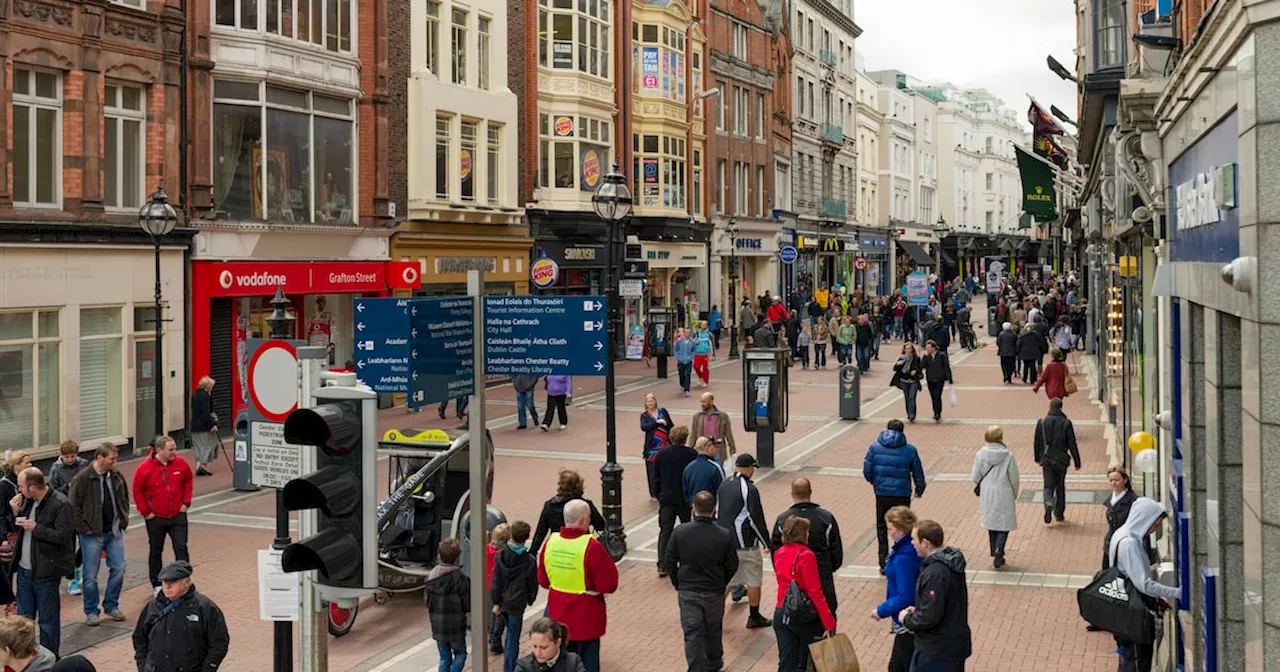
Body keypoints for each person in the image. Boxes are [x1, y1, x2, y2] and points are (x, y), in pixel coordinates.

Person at [537, 499, 620, 672]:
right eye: (588, 518)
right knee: (587, 664)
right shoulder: (592, 546)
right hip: (586, 618)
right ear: (583, 520)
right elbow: (609, 584)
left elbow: (544, 581)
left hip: (558, 614)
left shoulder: (551, 543)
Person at [665, 491, 738, 672]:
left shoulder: (680, 532)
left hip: (688, 589)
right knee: (713, 629)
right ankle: (714, 662)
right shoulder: (724, 534)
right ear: (714, 509)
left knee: (692, 632)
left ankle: (696, 668)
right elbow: (732, 564)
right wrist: (722, 581)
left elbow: (670, 560)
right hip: (713, 590)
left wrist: (677, 582)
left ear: (693, 509)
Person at [1109, 499, 1181, 671]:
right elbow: (1144, 584)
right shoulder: (1129, 543)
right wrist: (1177, 592)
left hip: (1125, 613)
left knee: (1128, 661)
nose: (1154, 530)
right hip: (1133, 618)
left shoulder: (1122, 534)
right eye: (1154, 524)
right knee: (1136, 663)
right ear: (1144, 519)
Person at [9, 469, 73, 656]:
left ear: (32, 487)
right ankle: (24, 657)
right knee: (23, 620)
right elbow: (17, 530)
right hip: (24, 571)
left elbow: (63, 536)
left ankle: (49, 659)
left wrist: (36, 528)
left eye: (21, 486)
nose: (19, 490)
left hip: (46, 572)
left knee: (48, 621)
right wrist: (15, 513)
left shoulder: (60, 504)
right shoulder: (28, 502)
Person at [67, 443, 130, 626]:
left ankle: (111, 604)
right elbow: (73, 506)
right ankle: (91, 610)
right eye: (112, 458)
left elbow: (124, 496)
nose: (115, 461)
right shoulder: (83, 478)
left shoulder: (116, 475)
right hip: (92, 534)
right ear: (100, 458)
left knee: (119, 567)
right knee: (90, 575)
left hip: (114, 531)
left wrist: (123, 519)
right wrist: (84, 528)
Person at [899, 520, 971, 672]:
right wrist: (919, 608)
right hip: (952, 646)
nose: (912, 543)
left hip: (936, 649)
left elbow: (930, 615)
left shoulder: (935, 573)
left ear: (925, 543)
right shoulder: (950, 564)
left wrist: (906, 619)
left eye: (914, 539)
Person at [132, 560, 229, 672]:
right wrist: (143, 666)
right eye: (164, 582)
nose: (167, 586)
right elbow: (139, 638)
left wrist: (208, 668)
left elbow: (219, 643)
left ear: (187, 582)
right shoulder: (152, 606)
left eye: (173, 582)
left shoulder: (205, 607)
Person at [769, 478, 842, 617]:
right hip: (822, 574)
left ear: (792, 493)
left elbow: (775, 550)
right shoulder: (826, 518)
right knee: (826, 614)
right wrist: (829, 567)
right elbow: (836, 549)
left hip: (792, 578)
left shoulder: (783, 520)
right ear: (810, 492)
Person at [771, 516, 837, 672]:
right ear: (802, 534)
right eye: (807, 532)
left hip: (782, 611)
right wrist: (829, 621)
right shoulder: (806, 555)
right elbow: (814, 591)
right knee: (805, 662)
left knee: (786, 661)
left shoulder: (779, 553)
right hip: (802, 616)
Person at [716, 454, 772, 630]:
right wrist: (767, 542)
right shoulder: (749, 489)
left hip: (725, 542)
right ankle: (754, 616)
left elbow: (718, 511)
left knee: (728, 580)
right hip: (745, 543)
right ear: (749, 468)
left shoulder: (724, 484)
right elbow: (755, 518)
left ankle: (714, 616)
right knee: (754, 579)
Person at [863, 419, 926, 573]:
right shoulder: (910, 450)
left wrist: (876, 483)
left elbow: (867, 470)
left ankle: (883, 561)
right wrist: (920, 488)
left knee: (881, 525)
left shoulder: (874, 448)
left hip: (882, 493)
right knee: (905, 525)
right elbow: (918, 472)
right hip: (902, 493)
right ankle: (904, 556)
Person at [132, 435, 192, 592]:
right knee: (156, 550)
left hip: (177, 515)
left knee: (181, 548)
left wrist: (186, 502)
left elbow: (188, 481)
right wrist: (146, 512)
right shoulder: (144, 468)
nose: (174, 452)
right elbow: (137, 491)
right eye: (170, 449)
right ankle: (157, 584)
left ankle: (185, 581)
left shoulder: (181, 463)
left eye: (175, 449)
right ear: (159, 450)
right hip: (156, 518)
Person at [873, 506, 921, 672]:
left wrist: (882, 610)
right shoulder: (907, 550)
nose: (888, 532)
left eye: (891, 528)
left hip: (906, 618)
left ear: (900, 529)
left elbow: (905, 595)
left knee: (899, 665)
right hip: (910, 616)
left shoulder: (903, 557)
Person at [971, 426, 1020, 568]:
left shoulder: (980, 454)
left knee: (991, 521)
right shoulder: (1008, 455)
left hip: (988, 491)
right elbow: (1014, 478)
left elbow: (975, 476)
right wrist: (1014, 493)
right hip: (1004, 490)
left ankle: (994, 549)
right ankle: (1000, 549)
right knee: (1003, 524)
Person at [492, 521, 538, 672]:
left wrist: (496, 601)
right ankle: (509, 668)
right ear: (526, 538)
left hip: (503, 600)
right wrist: (531, 598)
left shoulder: (500, 556)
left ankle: (496, 644)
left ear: (511, 535)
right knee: (513, 637)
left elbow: (496, 581)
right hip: (517, 602)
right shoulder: (529, 560)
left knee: (503, 627)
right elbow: (532, 582)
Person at [529, 470, 607, 554]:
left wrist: (532, 552)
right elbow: (600, 525)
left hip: (557, 548)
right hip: (581, 548)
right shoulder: (585, 505)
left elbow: (540, 533)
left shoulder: (550, 505)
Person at [655, 426, 697, 578]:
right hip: (684, 498)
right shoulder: (691, 454)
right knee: (686, 529)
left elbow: (656, 476)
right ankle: (687, 562)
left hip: (666, 498)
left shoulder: (661, 454)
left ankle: (662, 563)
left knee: (665, 531)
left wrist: (657, 493)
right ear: (685, 438)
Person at [49, 441, 88, 597]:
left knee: (86, 544)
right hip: (65, 512)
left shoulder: (84, 464)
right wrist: (68, 487)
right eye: (67, 457)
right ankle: (71, 579)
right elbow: (53, 491)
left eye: (73, 456)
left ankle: (76, 566)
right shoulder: (56, 469)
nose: (71, 459)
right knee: (69, 546)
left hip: (82, 510)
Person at [426, 537, 470, 672]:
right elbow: (467, 604)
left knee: (444, 657)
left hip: (438, 625)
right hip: (456, 625)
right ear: (457, 557)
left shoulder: (431, 577)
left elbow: (427, 602)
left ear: (439, 556)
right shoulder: (462, 579)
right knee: (461, 653)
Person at [1034, 398, 1080, 526]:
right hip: (1061, 460)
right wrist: (1077, 461)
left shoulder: (1042, 422)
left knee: (1048, 486)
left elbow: (1037, 442)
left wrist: (1037, 457)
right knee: (1060, 486)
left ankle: (1049, 502)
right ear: (1061, 407)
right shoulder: (1066, 423)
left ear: (1050, 406)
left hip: (1047, 458)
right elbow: (1072, 443)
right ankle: (1059, 513)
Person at [0, 452, 31, 615]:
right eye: (26, 462)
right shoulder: (4, 486)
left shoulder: (27, 481)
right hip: (10, 535)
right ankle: (10, 604)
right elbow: (1, 513)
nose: (30, 465)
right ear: (16, 465)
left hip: (23, 531)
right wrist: (13, 511)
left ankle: (16, 602)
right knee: (8, 570)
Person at [515, 618, 586, 672]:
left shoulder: (573, 662)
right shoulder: (523, 666)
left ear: (558, 643)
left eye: (543, 647)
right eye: (534, 646)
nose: (538, 652)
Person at [640, 393, 674, 502]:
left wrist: (665, 423)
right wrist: (656, 422)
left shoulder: (663, 412)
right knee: (652, 472)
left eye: (652, 400)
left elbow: (671, 425)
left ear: (656, 401)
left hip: (665, 445)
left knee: (665, 470)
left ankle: (665, 490)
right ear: (645, 403)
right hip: (652, 448)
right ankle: (654, 493)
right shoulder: (644, 416)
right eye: (648, 401)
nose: (650, 403)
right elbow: (644, 427)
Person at [690, 393, 736, 471]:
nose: (702, 404)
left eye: (704, 402)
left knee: (717, 472)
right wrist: (690, 450)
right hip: (702, 452)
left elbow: (728, 434)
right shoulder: (697, 416)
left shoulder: (722, 416)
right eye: (701, 402)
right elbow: (693, 434)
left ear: (711, 402)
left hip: (717, 451)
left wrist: (733, 451)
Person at [486, 523, 512, 654]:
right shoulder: (504, 554)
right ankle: (495, 640)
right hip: (501, 586)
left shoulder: (486, 549)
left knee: (492, 610)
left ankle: (491, 633)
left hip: (488, 584)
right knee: (500, 614)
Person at [682, 437, 724, 511]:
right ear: (708, 447)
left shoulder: (688, 468)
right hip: (712, 512)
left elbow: (686, 492)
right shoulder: (715, 467)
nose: (717, 449)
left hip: (695, 510)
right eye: (715, 446)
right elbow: (722, 490)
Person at [189, 376, 219, 476]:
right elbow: (206, 412)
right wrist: (212, 425)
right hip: (204, 426)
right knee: (208, 445)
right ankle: (203, 466)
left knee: (199, 446)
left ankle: (199, 466)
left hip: (195, 425)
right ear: (208, 386)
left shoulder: (195, 394)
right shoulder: (206, 396)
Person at [891, 343, 925, 423]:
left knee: (912, 397)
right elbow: (895, 369)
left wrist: (915, 371)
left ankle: (912, 414)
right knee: (907, 397)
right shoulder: (902, 358)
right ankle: (909, 413)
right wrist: (897, 364)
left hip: (913, 381)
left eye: (910, 348)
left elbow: (920, 368)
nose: (908, 350)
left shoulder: (916, 358)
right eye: (906, 349)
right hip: (904, 380)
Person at [921, 340, 953, 423]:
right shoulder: (927, 357)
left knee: (937, 395)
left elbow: (946, 366)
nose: (927, 349)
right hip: (930, 379)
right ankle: (935, 411)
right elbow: (922, 366)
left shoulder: (941, 355)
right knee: (933, 396)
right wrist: (924, 358)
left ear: (934, 347)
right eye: (926, 348)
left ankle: (938, 412)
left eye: (929, 347)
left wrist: (950, 378)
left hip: (939, 378)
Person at [674, 328, 695, 397]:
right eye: (686, 332)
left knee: (688, 374)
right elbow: (676, 350)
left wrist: (690, 357)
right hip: (681, 361)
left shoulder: (692, 341)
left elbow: (694, 350)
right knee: (681, 374)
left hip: (688, 361)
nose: (687, 334)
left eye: (689, 332)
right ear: (683, 333)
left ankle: (687, 389)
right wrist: (678, 357)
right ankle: (682, 385)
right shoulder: (679, 341)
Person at [693, 322, 713, 388]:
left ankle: (705, 381)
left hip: (705, 353)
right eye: (702, 325)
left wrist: (713, 354)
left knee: (705, 368)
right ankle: (700, 376)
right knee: (696, 367)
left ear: (707, 326)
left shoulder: (709, 334)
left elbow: (712, 344)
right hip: (697, 353)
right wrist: (695, 342)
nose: (703, 326)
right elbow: (692, 342)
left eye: (705, 325)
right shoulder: (696, 333)